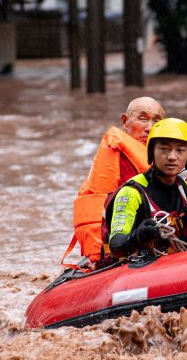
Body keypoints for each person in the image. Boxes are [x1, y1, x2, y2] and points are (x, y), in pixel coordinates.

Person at [62, 97, 165, 267]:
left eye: (157, 121)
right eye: (143, 118)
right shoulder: (119, 156)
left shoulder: (160, 158)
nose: (150, 128)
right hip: (117, 247)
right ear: (125, 121)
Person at [102, 118, 187, 259]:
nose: (172, 157)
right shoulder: (132, 192)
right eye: (164, 149)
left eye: (180, 150)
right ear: (151, 152)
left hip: (178, 265)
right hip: (138, 269)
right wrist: (138, 236)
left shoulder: (186, 190)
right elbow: (116, 246)